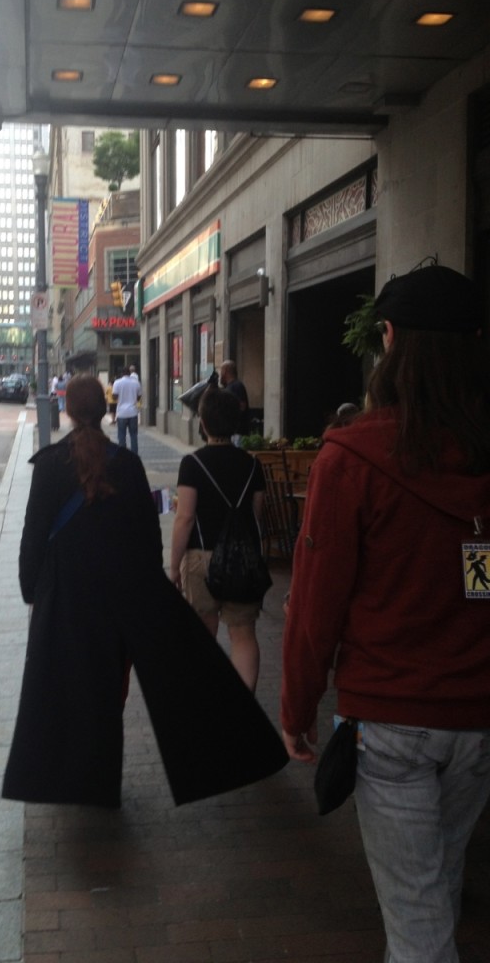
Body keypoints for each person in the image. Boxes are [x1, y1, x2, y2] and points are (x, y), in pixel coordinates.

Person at [280, 264, 490, 963]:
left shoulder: (352, 458)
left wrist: (297, 705)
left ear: (391, 341)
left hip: (391, 721)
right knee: (438, 887)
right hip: (476, 722)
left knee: (419, 924)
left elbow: (315, 606)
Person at [2, 374, 288, 808]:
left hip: (67, 598)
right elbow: (144, 534)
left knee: (73, 686)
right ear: (105, 410)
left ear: (69, 410)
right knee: (110, 686)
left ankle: (82, 781)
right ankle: (106, 779)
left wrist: (31, 592)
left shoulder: (48, 465)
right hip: (120, 595)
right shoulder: (128, 465)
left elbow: (33, 537)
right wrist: (152, 581)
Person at [170, 381, 266, 691]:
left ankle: (209, 703)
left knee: (204, 633)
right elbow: (257, 514)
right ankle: (243, 706)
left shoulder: (193, 464)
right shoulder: (253, 465)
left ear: (204, 422)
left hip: (202, 559)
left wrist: (173, 565)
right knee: (243, 634)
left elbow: (184, 518)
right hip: (244, 560)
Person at [112, 365, 142, 453]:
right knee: (133, 435)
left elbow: (114, 396)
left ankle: (123, 455)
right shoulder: (136, 383)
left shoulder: (117, 382)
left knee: (121, 435)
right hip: (133, 412)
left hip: (121, 413)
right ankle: (134, 455)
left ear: (121, 374)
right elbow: (139, 396)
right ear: (130, 373)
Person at [219, 359, 250, 441]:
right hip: (232, 433)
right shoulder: (228, 387)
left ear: (225, 371)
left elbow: (242, 406)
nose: (220, 375)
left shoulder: (236, 386)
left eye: (221, 372)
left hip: (237, 434)